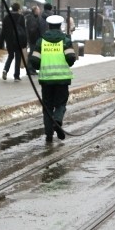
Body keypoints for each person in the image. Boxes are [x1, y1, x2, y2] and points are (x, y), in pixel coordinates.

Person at [28, 14, 76, 143]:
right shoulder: (65, 40)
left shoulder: (41, 41)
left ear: (48, 26)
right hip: (62, 80)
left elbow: (34, 60)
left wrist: (39, 66)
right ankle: (58, 121)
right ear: (60, 26)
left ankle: (49, 134)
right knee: (60, 104)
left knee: (47, 107)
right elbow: (71, 58)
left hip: (46, 80)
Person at [0, 2, 27, 81]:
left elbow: (3, 31)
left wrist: (1, 42)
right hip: (18, 40)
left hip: (9, 40)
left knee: (11, 56)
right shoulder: (21, 17)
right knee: (18, 57)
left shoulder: (6, 17)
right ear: (18, 9)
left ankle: (5, 70)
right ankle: (16, 76)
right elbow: (23, 30)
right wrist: (25, 41)